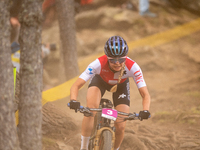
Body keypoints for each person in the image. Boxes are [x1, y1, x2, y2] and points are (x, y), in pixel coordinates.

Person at [69, 36, 151, 150]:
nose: (117, 63)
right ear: (107, 58)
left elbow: (145, 94)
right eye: (113, 60)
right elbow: (76, 85)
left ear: (125, 57)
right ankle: (83, 148)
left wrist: (145, 110)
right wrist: (73, 100)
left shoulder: (133, 67)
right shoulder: (98, 64)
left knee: (121, 125)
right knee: (90, 111)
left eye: (121, 60)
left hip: (121, 86)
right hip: (100, 82)